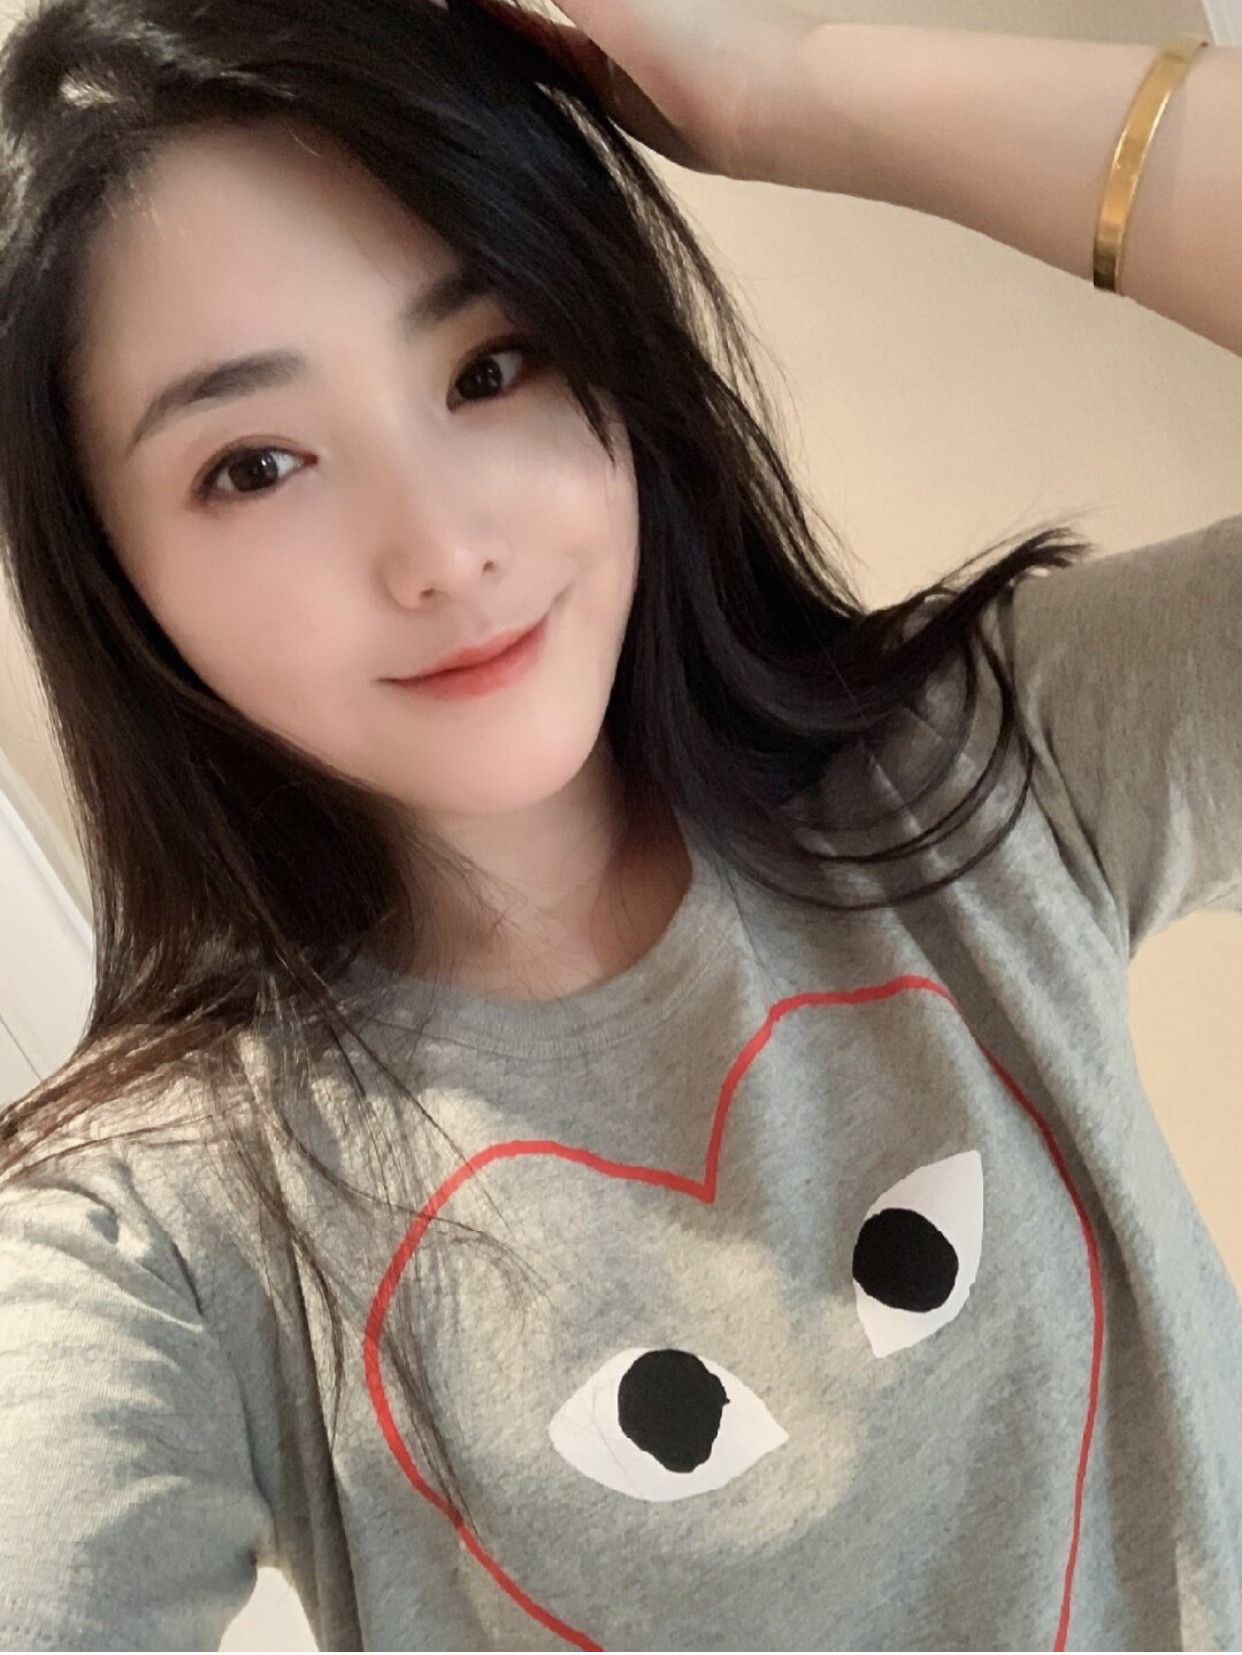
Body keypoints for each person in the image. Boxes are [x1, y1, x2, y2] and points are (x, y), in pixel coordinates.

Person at [0, 0, 1238, 1648]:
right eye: (258, 464)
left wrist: (791, 90)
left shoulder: (991, 768)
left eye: (487, 365)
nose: (442, 549)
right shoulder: (154, 1231)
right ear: (115, 574)